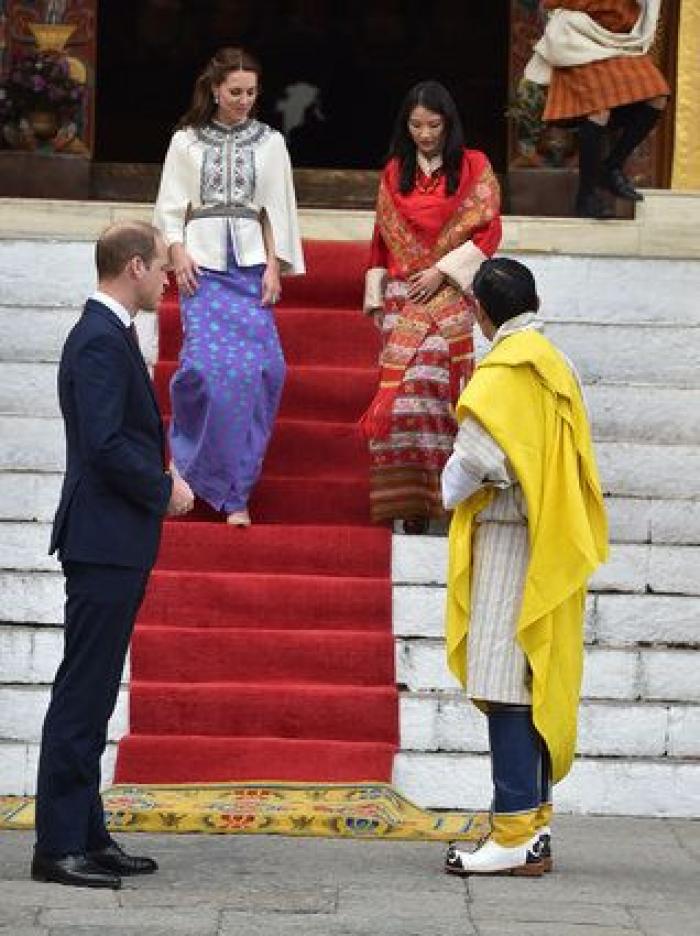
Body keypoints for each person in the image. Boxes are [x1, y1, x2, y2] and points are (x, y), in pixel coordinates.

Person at [33, 222, 195, 890]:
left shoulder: (111, 332)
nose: (167, 277)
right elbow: (103, 445)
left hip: (114, 539)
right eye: (160, 266)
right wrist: (163, 488)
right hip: (102, 539)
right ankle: (59, 845)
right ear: (133, 267)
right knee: (82, 692)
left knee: (95, 691)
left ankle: (87, 833)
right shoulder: (99, 338)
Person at [441, 258, 608, 876]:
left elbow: (476, 458)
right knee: (530, 678)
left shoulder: (503, 371)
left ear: (481, 311)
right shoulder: (554, 362)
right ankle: (532, 826)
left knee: (506, 683)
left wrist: (445, 488)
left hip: (513, 537)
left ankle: (513, 834)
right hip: (550, 537)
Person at [154, 47, 305, 527]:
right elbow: (169, 207)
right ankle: (188, 464)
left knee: (263, 375)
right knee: (203, 372)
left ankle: (235, 490)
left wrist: (274, 268)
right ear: (215, 89)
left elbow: (275, 211)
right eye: (235, 91)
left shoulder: (271, 142)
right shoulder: (186, 142)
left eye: (251, 92)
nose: (243, 100)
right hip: (201, 266)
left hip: (249, 270)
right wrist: (176, 253)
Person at [361, 80, 502, 534]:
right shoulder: (394, 171)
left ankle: (450, 493)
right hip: (404, 295)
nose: (425, 134)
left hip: (452, 292)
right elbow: (382, 239)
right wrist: (375, 294)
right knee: (400, 399)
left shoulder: (474, 168)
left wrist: (442, 271)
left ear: (448, 124)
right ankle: (413, 503)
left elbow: (488, 232)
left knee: (437, 385)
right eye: (416, 125)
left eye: (433, 125)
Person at [525, 0, 670, 218]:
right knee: (599, 110)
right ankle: (586, 197)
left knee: (657, 94)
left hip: (619, 39)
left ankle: (611, 166)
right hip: (581, 34)